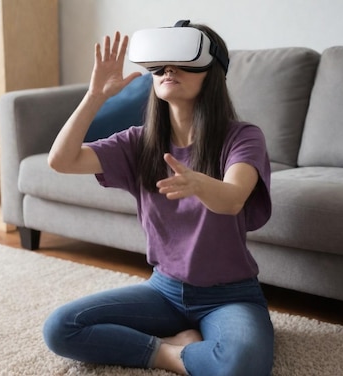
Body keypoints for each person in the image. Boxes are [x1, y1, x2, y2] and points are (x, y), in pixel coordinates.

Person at [43, 21, 274, 376]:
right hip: (164, 291)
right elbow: (61, 160)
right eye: (162, 63)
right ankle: (170, 352)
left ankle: (182, 345)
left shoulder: (242, 137)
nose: (169, 69)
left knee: (242, 366)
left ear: (212, 72)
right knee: (61, 327)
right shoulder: (140, 142)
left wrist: (198, 183)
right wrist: (95, 96)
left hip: (230, 295)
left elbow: (232, 199)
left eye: (183, 60)